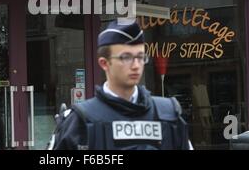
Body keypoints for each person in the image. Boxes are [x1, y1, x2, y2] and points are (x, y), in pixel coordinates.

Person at [49, 18, 191, 150]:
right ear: (104, 63)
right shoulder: (79, 121)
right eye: (126, 57)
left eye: (140, 57)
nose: (136, 65)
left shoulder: (169, 115)